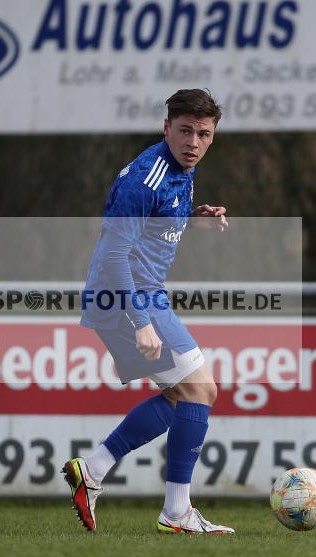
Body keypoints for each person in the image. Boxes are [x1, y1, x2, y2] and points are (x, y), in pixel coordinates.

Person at [63, 89, 232, 534]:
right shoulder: (148, 177)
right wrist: (139, 321)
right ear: (166, 128)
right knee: (201, 391)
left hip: (141, 292)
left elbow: (155, 227)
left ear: (212, 137)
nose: (193, 141)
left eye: (203, 133)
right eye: (184, 131)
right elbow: (116, 255)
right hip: (125, 296)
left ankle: (93, 470)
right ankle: (175, 512)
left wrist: (195, 216)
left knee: (184, 396)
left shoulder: (180, 171)